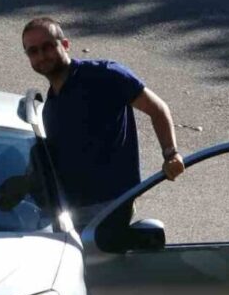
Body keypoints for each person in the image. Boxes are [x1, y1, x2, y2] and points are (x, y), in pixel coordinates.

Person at [21, 17, 185, 234]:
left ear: (65, 45)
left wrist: (171, 153)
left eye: (48, 46)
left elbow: (157, 109)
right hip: (68, 214)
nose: (41, 56)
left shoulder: (105, 75)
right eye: (33, 51)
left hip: (110, 208)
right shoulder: (51, 104)